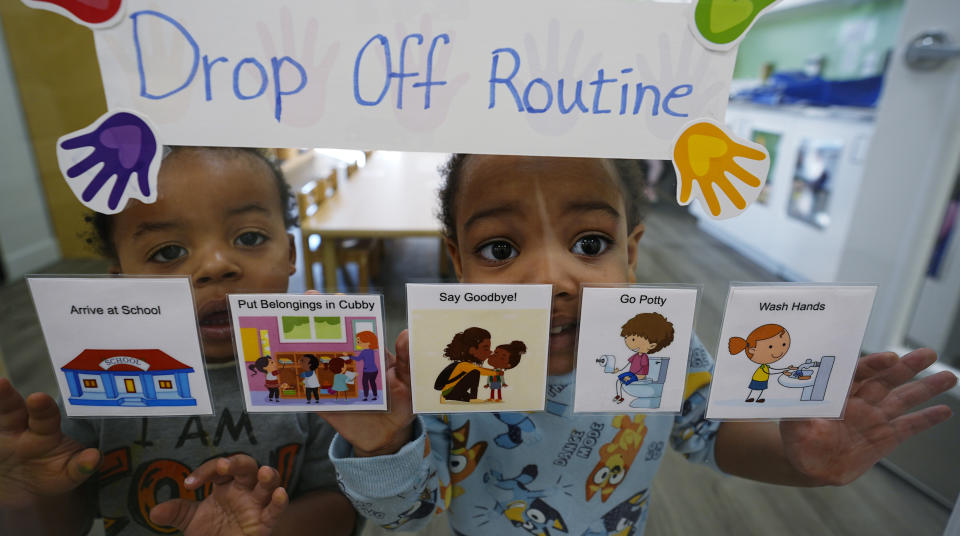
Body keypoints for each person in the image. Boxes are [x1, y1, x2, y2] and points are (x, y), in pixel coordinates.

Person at [321, 154, 957, 535]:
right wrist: (383, 444)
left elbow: (711, 434)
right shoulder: (448, 365)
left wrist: (801, 459)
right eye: (500, 249)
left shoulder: (655, 345)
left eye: (590, 244)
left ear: (631, 253)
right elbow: (407, 514)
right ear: (459, 263)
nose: (551, 279)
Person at [0, 147, 357, 535]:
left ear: (290, 253)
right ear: (122, 283)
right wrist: (30, 494)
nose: (216, 265)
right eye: (169, 251)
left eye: (250, 237)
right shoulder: (101, 379)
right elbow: (67, 522)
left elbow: (340, 505)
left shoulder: (314, 366)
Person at [612, 312, 675, 403]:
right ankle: (619, 396)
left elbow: (643, 369)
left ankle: (621, 396)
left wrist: (633, 377)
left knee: (624, 381)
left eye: (633, 339)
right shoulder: (636, 355)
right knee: (619, 380)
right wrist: (620, 370)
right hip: (632, 374)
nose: (628, 342)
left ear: (652, 346)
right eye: (626, 338)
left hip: (639, 376)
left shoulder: (644, 357)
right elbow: (628, 364)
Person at [729, 324, 795, 403]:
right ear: (752, 350)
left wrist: (787, 368)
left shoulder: (765, 365)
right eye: (770, 347)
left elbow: (773, 369)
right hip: (758, 379)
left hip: (763, 379)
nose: (778, 351)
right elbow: (768, 372)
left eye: (783, 344)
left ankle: (757, 399)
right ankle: (750, 398)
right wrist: (783, 371)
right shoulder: (763, 367)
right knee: (754, 390)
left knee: (760, 390)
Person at [435, 326, 501, 402]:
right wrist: (496, 373)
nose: (490, 352)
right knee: (475, 373)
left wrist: (494, 371)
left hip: (454, 392)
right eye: (486, 349)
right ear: (472, 350)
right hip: (451, 393)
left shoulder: (465, 364)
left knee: (469, 395)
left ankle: (451, 397)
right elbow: (479, 370)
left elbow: (480, 369)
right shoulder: (464, 365)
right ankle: (473, 398)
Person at [345, 331, 380, 401]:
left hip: (367, 371)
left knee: (365, 383)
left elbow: (358, 359)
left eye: (359, 341)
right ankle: (375, 395)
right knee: (372, 382)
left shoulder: (364, 351)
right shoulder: (372, 350)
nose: (358, 343)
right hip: (374, 370)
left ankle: (366, 396)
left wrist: (349, 356)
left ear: (368, 342)